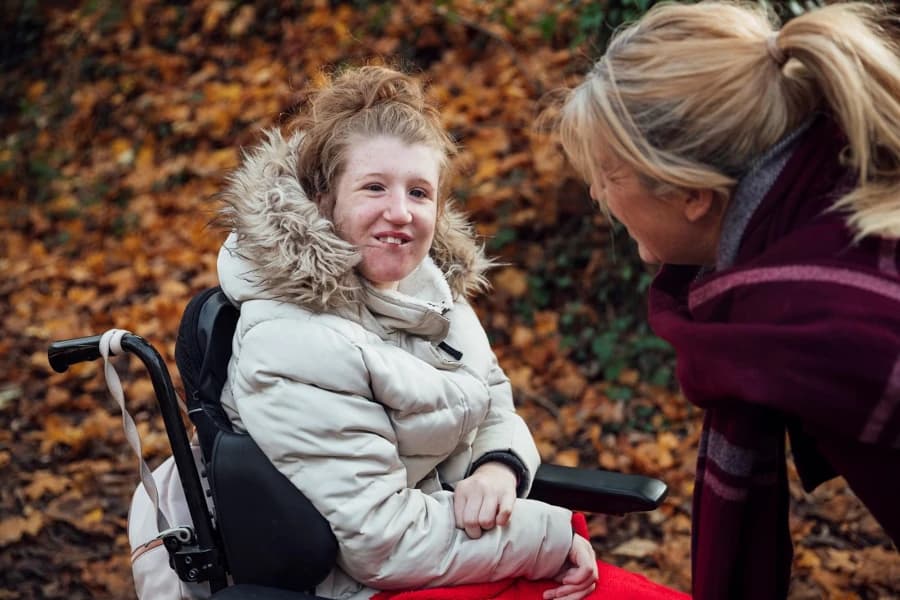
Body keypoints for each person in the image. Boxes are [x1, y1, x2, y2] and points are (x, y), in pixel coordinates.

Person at [129, 65, 689, 600]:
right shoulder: (289, 341)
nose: (400, 212)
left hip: (458, 553)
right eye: (374, 187)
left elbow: (493, 405)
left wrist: (499, 468)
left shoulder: (430, 295)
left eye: (419, 192)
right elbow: (382, 541)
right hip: (377, 585)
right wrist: (550, 537)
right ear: (323, 200)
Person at [558, 2, 900, 599]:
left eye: (610, 174)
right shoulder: (830, 211)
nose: (595, 193)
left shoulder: (819, 321)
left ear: (691, 195)